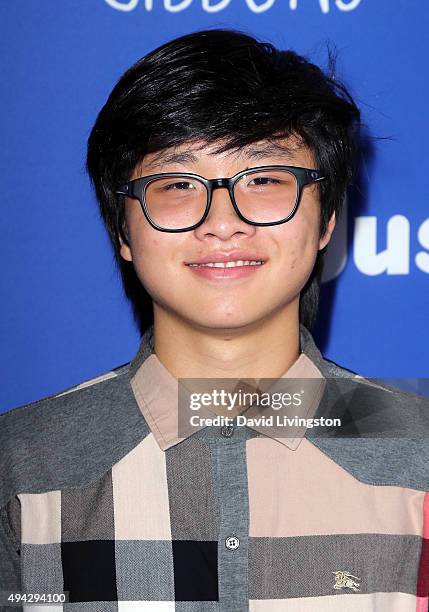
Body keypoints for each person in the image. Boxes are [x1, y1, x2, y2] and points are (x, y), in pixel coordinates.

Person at [1, 28, 429, 612]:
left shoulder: (419, 451)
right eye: (178, 184)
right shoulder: (19, 464)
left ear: (327, 221)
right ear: (122, 229)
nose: (223, 222)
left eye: (264, 180)